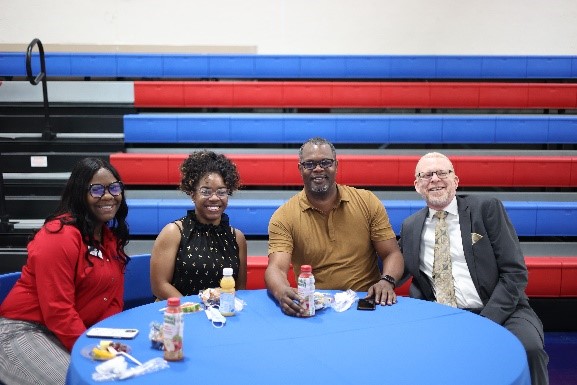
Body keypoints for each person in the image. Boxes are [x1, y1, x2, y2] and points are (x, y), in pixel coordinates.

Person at [399, 152, 549, 385]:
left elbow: (515, 273)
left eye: (442, 173)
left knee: (528, 350)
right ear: (417, 185)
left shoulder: (486, 209)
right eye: (426, 175)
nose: (435, 179)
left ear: (456, 181)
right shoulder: (411, 226)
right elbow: (397, 268)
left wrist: (485, 321)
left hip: (503, 310)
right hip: (446, 316)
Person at [0, 157, 130, 385]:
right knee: (80, 381)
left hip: (69, 333)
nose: (108, 196)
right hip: (23, 332)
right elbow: (58, 310)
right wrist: (89, 348)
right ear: (79, 194)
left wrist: (106, 340)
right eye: (97, 189)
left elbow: (112, 302)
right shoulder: (58, 236)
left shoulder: (108, 238)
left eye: (114, 187)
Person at [265, 137, 404, 316]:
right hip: (317, 306)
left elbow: (392, 253)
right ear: (300, 169)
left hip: (366, 302)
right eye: (309, 164)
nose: (318, 169)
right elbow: (276, 268)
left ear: (336, 165)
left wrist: (387, 281)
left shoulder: (367, 202)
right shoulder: (283, 217)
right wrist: (281, 291)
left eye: (325, 162)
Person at [150, 150, 247, 300]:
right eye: (206, 191)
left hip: (220, 316)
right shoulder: (173, 232)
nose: (214, 198)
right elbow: (159, 286)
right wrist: (196, 308)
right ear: (192, 193)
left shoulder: (237, 238)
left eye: (221, 192)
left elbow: (239, 289)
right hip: (180, 315)